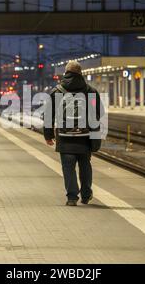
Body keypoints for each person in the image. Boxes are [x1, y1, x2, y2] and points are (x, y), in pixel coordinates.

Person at [44, 61, 103, 207]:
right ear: (80, 73)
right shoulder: (91, 91)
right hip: (85, 137)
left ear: (66, 72)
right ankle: (86, 195)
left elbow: (48, 116)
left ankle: (72, 197)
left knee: (68, 167)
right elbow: (98, 113)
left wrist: (48, 135)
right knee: (85, 166)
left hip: (65, 138)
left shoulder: (56, 91)